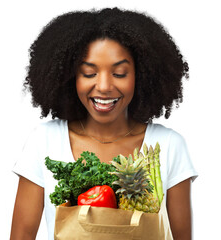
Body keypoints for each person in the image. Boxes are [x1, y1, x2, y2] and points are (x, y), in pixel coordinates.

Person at [10, 8, 198, 240]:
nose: (104, 86)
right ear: (70, 78)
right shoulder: (44, 141)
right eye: (89, 73)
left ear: (141, 76)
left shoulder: (169, 145)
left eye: (120, 73)